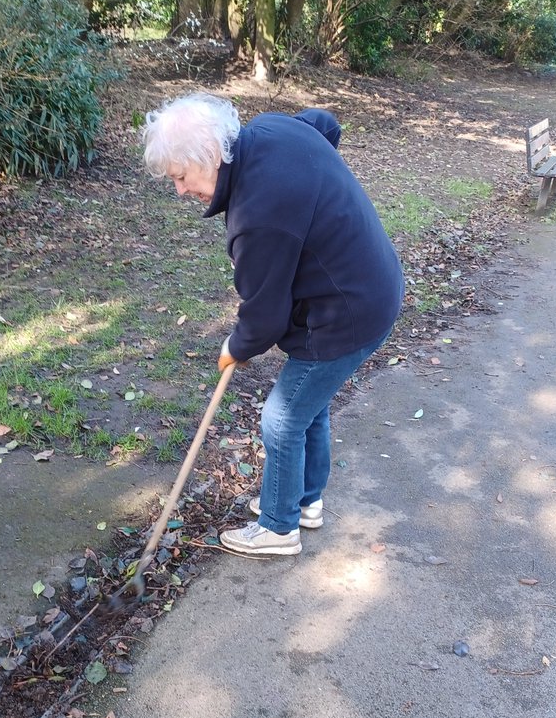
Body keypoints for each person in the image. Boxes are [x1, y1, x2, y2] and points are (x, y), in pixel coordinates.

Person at [142, 92, 404, 558]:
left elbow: (264, 317)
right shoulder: (270, 129)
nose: (180, 190)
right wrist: (312, 192)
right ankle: (305, 502)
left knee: (282, 418)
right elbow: (323, 124)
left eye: (181, 177)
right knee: (308, 405)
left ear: (210, 154)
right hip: (371, 285)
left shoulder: (257, 217)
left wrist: (235, 346)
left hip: (346, 312)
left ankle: (279, 528)